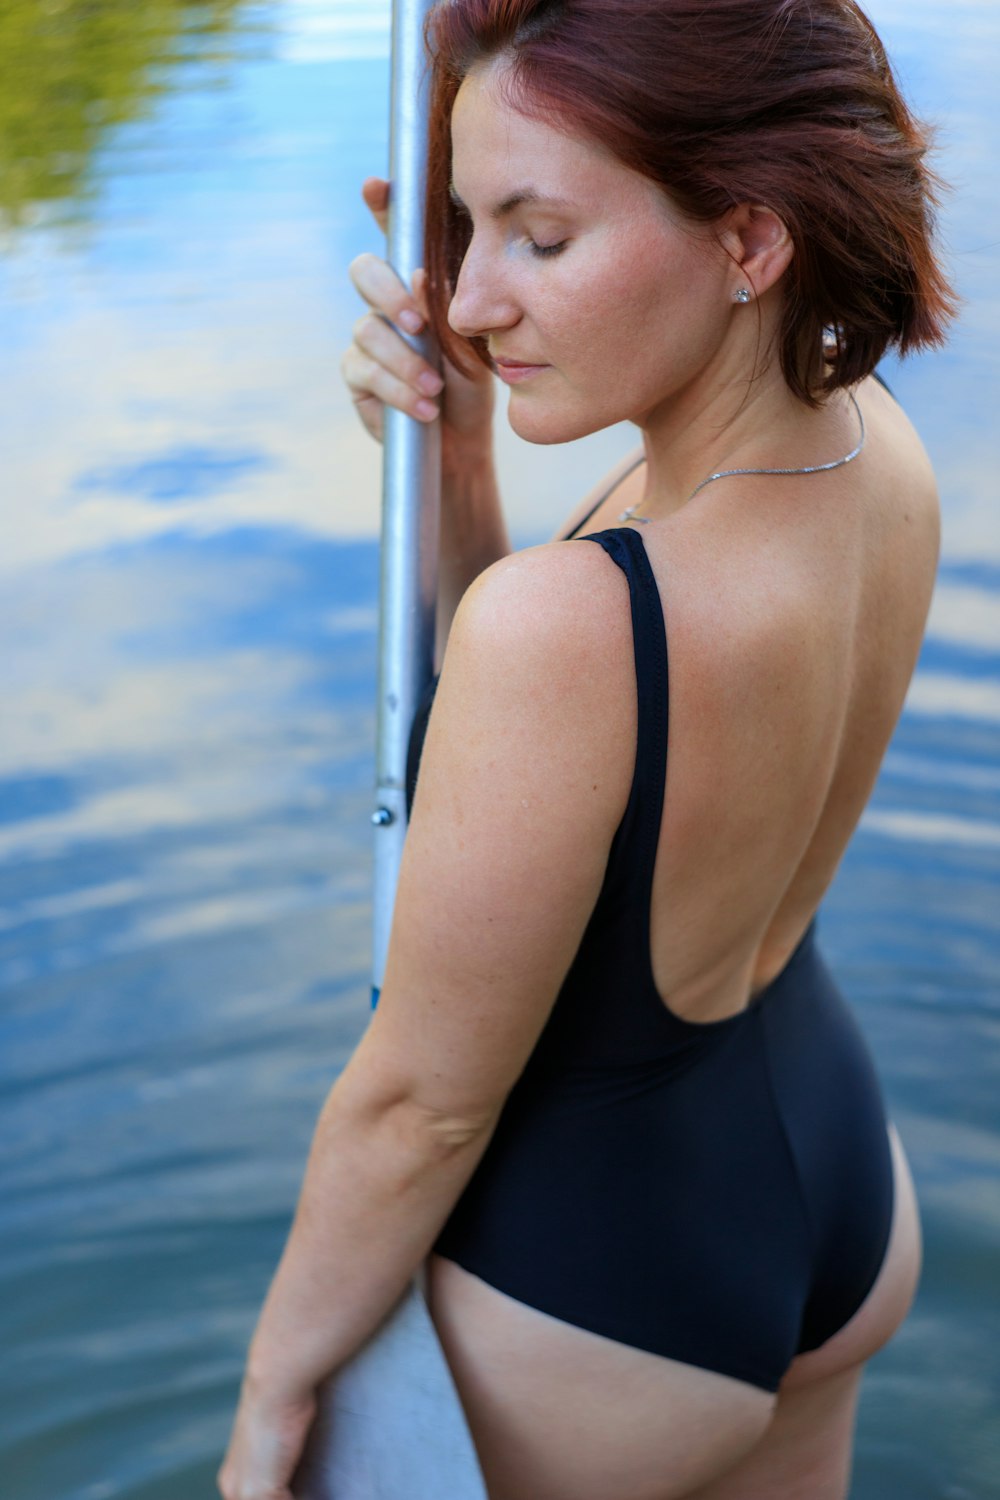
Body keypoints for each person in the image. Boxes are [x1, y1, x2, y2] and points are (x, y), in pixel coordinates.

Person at [218, 2, 957, 1497]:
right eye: (464, 225)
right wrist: (460, 458)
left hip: (595, 1303)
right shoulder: (874, 451)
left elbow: (418, 1105)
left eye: (537, 239)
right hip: (834, 1183)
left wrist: (269, 1397)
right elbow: (572, 753)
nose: (473, 299)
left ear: (750, 242)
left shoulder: (577, 623)